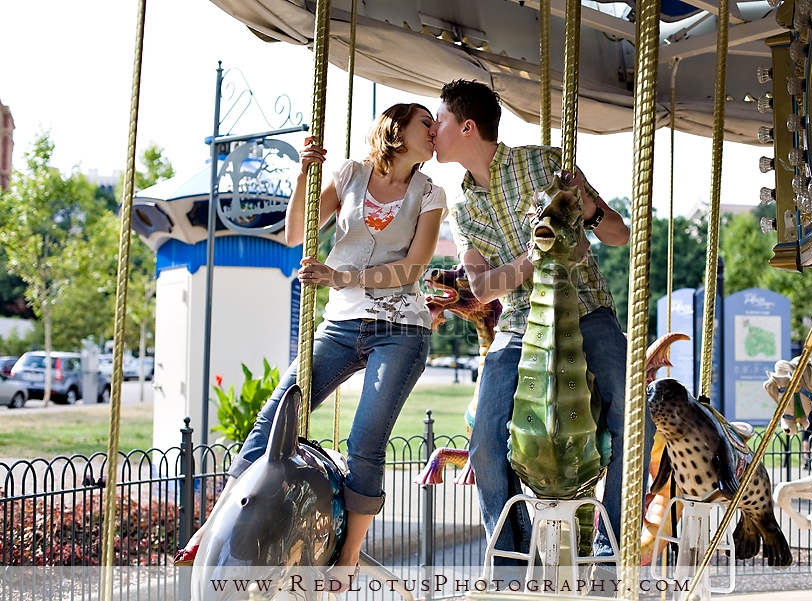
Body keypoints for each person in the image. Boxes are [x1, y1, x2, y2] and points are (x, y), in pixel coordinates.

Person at [174, 103, 447, 590]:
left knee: (365, 440)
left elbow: (412, 268)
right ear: (396, 127)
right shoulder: (349, 176)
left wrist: (340, 275)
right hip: (343, 324)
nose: (434, 132)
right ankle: (214, 521)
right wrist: (305, 173)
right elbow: (295, 233)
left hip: (400, 329)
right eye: (426, 122)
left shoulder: (431, 193)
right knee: (277, 413)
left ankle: (347, 556)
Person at [430, 79, 653, 564]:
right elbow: (483, 286)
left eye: (439, 120)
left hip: (585, 309)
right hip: (517, 325)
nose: (432, 129)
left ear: (467, 127)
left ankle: (610, 547)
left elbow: (619, 234)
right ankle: (513, 558)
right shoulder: (463, 207)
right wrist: (536, 261)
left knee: (637, 420)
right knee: (485, 442)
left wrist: (590, 210)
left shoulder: (545, 163)